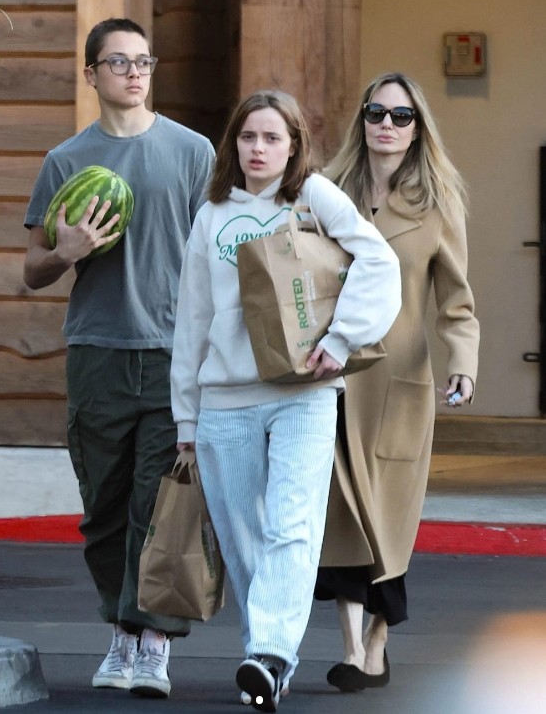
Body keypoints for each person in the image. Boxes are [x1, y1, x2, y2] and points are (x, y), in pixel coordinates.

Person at [170, 89, 401, 713]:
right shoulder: (212, 213)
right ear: (233, 144)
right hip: (224, 398)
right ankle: (266, 661)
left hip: (304, 393)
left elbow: (379, 261)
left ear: (294, 144)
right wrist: (185, 417)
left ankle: (270, 653)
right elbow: (191, 321)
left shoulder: (314, 196)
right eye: (248, 137)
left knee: (291, 527)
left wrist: (342, 336)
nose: (259, 148)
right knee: (244, 536)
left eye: (273, 138)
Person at [22, 17, 215, 698]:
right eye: (118, 62)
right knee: (102, 506)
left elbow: (217, 257)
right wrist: (63, 252)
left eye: (143, 61)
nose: (134, 72)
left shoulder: (193, 154)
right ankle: (120, 628)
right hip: (98, 350)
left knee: (158, 507)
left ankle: (150, 638)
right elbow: (32, 271)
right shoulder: (65, 161)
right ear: (91, 75)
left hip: (173, 355)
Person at [315, 71, 480, 693]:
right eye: (375, 112)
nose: (386, 124)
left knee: (385, 521)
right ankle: (355, 651)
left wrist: (462, 362)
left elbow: (456, 302)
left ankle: (377, 645)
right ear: (362, 120)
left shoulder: (439, 205)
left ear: (417, 130)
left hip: (400, 385)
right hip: (331, 377)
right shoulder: (325, 192)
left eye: (401, 116)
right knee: (342, 515)